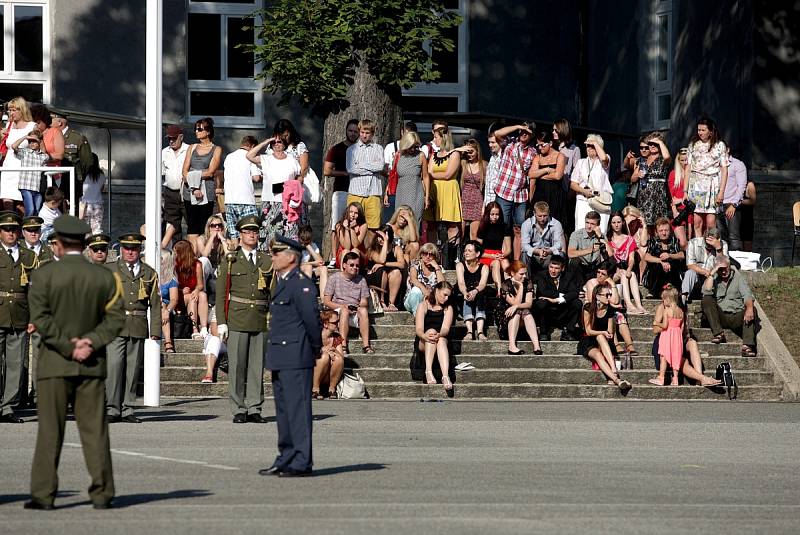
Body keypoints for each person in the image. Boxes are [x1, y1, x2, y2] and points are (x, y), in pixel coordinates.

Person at [25, 215, 125, 510]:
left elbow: (40, 318)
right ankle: (103, 492)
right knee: (95, 431)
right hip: (91, 364)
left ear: (58, 244)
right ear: (83, 244)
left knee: (49, 432)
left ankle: (43, 495)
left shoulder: (44, 276)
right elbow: (117, 318)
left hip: (55, 362)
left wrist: (67, 347)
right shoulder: (105, 277)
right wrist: (90, 342)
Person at [261, 236, 322, 477]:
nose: (273, 257)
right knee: (284, 411)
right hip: (281, 354)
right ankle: (286, 456)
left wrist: (314, 348)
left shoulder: (301, 284)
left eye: (277, 253)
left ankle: (301, 460)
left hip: (297, 355)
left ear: (291, 257)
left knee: (297, 410)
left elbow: (311, 322)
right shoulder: (283, 282)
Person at [216, 215, 273, 423]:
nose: (252, 235)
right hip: (237, 319)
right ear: (240, 235)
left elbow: (273, 293)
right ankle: (239, 408)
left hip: (259, 318)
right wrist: (221, 322)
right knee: (237, 366)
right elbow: (222, 293)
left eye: (255, 231)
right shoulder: (231, 260)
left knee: (257, 366)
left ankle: (254, 407)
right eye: (248, 232)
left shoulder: (267, 261)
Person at [105, 233, 160, 424]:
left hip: (137, 324)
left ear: (139, 250)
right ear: (121, 249)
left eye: (134, 248)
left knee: (132, 369)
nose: (130, 252)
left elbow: (155, 303)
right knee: (113, 367)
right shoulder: (110, 270)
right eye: (127, 248)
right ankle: (112, 408)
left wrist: (155, 330)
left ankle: (128, 408)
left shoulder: (149, 273)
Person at [0, 211, 36, 423]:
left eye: (14, 229)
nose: (11, 233)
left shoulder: (28, 256)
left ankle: (8, 407)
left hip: (21, 314)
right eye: (6, 229)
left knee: (15, 363)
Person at [650, 288, 722, 387]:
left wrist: (683, 335)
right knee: (681, 360)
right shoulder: (662, 308)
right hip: (665, 339)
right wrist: (670, 328)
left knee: (692, 343)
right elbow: (655, 330)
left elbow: (683, 329)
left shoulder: (680, 309)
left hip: (677, 338)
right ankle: (702, 378)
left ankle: (699, 379)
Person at [492, 122, 537, 258]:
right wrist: (517, 126)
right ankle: (501, 257)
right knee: (502, 226)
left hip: (520, 195)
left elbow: (532, 176)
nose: (524, 134)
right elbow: (497, 133)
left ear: (532, 135)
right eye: (522, 131)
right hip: (504, 192)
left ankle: (517, 261)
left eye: (527, 132)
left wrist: (530, 197)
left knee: (520, 229)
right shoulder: (509, 144)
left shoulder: (533, 152)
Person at [248, 136, 302, 245]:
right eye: (274, 142)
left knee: (288, 235)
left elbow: (299, 177)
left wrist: (292, 190)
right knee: (268, 235)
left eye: (279, 141)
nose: (276, 144)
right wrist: (266, 141)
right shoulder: (266, 158)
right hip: (270, 201)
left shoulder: (292, 159)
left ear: (284, 144)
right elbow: (249, 155)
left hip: (288, 203)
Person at [578, 285, 632, 393]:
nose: (609, 297)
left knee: (601, 336)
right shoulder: (588, 308)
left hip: (605, 342)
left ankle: (614, 373)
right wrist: (602, 332)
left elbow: (610, 331)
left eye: (610, 294)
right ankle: (617, 379)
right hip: (588, 341)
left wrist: (607, 334)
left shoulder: (610, 309)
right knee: (598, 349)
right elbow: (588, 331)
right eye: (607, 295)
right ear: (597, 296)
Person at [423, 122, 463, 267]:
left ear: (444, 138)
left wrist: (433, 174)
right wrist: (432, 174)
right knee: (432, 224)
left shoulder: (454, 154)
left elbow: (448, 174)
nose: (435, 140)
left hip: (448, 190)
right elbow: (428, 172)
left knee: (451, 224)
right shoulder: (433, 155)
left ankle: (454, 255)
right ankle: (432, 254)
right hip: (434, 190)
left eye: (437, 137)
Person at [701, 255, 758, 357]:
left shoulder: (737, 277)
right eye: (720, 269)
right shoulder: (714, 278)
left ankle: (747, 346)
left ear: (729, 266)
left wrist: (749, 308)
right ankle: (718, 334)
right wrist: (712, 273)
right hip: (720, 317)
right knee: (706, 299)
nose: (723, 272)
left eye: (725, 268)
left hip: (736, 315)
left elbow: (747, 295)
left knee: (752, 309)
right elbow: (706, 291)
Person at [181, 117, 222, 250]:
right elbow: (184, 171)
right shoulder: (192, 147)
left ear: (208, 131)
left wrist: (192, 175)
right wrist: (194, 186)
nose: (196, 131)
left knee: (205, 224)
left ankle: (204, 255)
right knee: (192, 225)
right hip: (190, 192)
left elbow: (211, 172)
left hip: (206, 192)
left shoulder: (216, 149)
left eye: (199, 129)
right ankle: (192, 257)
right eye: (195, 129)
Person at [324, 118, 360, 263]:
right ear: (345, 131)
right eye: (350, 131)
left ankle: (352, 256)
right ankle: (334, 257)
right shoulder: (336, 149)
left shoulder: (360, 150)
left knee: (355, 225)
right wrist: (345, 173)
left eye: (355, 131)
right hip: (341, 191)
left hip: (357, 191)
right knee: (337, 225)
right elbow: (327, 171)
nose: (352, 134)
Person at [322, 251, 372, 354]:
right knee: (344, 310)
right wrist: (343, 306)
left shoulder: (361, 280)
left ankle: (366, 345)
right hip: (338, 311)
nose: (355, 267)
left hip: (354, 311)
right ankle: (343, 345)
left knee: (363, 310)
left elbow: (364, 302)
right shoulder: (334, 278)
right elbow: (326, 301)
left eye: (357, 265)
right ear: (344, 265)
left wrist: (355, 307)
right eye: (352, 265)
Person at [687, 116, 729, 237]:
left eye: (703, 130)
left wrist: (721, 192)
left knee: (711, 223)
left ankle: (710, 252)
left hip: (712, 186)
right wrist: (685, 190)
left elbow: (724, 170)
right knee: (697, 223)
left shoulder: (720, 145)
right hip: (696, 185)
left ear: (710, 131)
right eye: (698, 130)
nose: (700, 132)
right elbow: (688, 168)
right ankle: (699, 252)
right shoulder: (693, 145)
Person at [415, 281, 455, 393]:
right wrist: (425, 336)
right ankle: (428, 371)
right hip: (424, 340)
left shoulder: (448, 308)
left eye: (448, 296)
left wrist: (439, 334)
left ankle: (445, 376)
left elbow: (445, 329)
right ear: (437, 291)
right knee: (431, 331)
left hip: (441, 341)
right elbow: (418, 329)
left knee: (440, 339)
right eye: (444, 295)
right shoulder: (423, 305)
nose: (446, 298)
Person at [346, 119, 385, 230]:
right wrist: (371, 168)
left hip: (373, 192)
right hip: (356, 192)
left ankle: (369, 247)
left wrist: (361, 165)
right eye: (362, 132)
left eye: (367, 133)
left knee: (373, 226)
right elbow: (351, 168)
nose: (364, 135)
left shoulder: (378, 148)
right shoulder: (351, 149)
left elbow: (380, 166)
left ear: (372, 134)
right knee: (353, 225)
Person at [533, 254, 582, 341]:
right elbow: (543, 291)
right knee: (541, 302)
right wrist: (562, 295)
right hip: (547, 311)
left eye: (556, 268)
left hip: (562, 312)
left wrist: (557, 300)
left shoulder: (568, 276)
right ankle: (544, 332)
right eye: (551, 267)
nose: (553, 271)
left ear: (562, 269)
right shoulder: (542, 275)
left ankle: (568, 332)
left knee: (577, 303)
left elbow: (574, 292)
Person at [498, 261, 543, 355]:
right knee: (517, 312)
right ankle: (511, 346)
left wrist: (517, 306)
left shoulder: (528, 282)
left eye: (525, 273)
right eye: (521, 274)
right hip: (507, 318)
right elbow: (514, 302)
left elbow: (528, 303)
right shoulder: (505, 285)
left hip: (523, 318)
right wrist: (521, 287)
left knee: (526, 311)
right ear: (513, 273)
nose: (524, 276)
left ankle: (536, 346)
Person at [222, 135, 262, 243]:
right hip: (246, 200)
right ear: (253, 146)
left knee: (234, 235)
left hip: (229, 200)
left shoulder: (229, 157)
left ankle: (234, 258)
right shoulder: (249, 157)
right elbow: (256, 178)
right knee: (250, 234)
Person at [606, 212, 647, 314]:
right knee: (624, 273)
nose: (616, 225)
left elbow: (631, 258)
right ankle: (628, 304)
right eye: (614, 222)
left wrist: (629, 269)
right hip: (612, 273)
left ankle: (638, 305)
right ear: (610, 224)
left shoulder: (629, 239)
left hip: (625, 268)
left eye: (619, 222)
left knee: (631, 273)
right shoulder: (608, 240)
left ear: (623, 223)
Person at [570, 133, 612, 233]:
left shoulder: (605, 160)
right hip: (583, 200)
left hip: (600, 200)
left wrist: (595, 143)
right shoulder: (581, 162)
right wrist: (584, 191)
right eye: (587, 145)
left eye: (592, 146)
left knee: (600, 231)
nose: (589, 148)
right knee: (581, 230)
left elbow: (603, 159)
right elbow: (573, 183)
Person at [1, 97, 37, 210]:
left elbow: (38, 149)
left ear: (22, 110)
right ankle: (9, 227)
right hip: (9, 166)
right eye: (9, 110)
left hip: (24, 167)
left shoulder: (32, 126)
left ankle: (23, 227)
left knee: (22, 202)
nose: (11, 113)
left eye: (14, 110)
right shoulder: (9, 126)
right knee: (6, 199)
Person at [389, 131, 429, 228]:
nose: (413, 149)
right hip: (401, 193)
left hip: (416, 193)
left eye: (415, 146)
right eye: (410, 146)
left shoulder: (421, 155)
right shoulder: (398, 155)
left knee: (414, 223)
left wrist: (426, 196)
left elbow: (425, 176)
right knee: (400, 221)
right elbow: (393, 175)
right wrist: (388, 190)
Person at [29, 104, 64, 214]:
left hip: (52, 175)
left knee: (50, 205)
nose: (37, 126)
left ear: (45, 120)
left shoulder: (54, 131)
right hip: (33, 174)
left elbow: (60, 155)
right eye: (34, 123)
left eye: (38, 122)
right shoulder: (31, 133)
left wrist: (44, 156)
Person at [50, 111, 93, 203]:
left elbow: (87, 162)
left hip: (71, 182)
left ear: (59, 122)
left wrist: (78, 178)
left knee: (71, 210)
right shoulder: (48, 135)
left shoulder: (77, 138)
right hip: (51, 180)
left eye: (51, 119)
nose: (48, 122)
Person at [632, 132, 671, 229]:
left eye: (655, 144)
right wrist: (638, 175)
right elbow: (632, 179)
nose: (652, 146)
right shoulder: (642, 160)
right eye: (650, 144)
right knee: (644, 224)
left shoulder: (662, 159)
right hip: (644, 196)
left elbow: (667, 157)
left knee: (659, 224)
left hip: (658, 196)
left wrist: (659, 142)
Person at [530, 130, 568, 229]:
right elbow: (531, 174)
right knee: (538, 225)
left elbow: (558, 176)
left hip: (555, 194)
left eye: (542, 145)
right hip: (540, 194)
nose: (540, 148)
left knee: (556, 226)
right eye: (538, 145)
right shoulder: (538, 157)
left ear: (550, 143)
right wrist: (547, 170)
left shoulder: (560, 156)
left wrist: (540, 175)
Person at [682, 227, 728, 303]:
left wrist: (718, 248)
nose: (709, 245)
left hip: (713, 276)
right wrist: (705, 272)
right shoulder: (693, 243)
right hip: (698, 274)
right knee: (690, 273)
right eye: (707, 242)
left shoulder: (723, 244)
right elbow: (690, 265)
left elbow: (724, 265)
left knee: (716, 275)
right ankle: (684, 297)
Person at [174, 239, 209, 339]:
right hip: (179, 296)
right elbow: (169, 285)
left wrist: (196, 290)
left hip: (192, 294)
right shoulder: (174, 265)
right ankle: (194, 329)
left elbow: (200, 284)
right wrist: (180, 290)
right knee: (192, 298)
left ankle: (204, 328)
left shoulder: (197, 264)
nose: (175, 254)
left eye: (177, 251)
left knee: (202, 295)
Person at [364, 226, 405, 311]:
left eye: (383, 237)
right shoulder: (372, 250)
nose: (381, 240)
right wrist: (385, 242)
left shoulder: (396, 249)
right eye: (379, 237)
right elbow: (381, 260)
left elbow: (402, 264)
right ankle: (381, 301)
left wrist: (384, 265)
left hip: (390, 280)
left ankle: (391, 303)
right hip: (375, 277)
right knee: (383, 272)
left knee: (396, 272)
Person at [520, 201, 565, 278]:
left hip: (549, 255)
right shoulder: (527, 224)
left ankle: (558, 280)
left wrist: (549, 251)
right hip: (533, 255)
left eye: (545, 216)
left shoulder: (556, 224)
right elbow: (524, 245)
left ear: (549, 213)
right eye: (539, 216)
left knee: (560, 254)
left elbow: (559, 244)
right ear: (534, 213)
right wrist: (537, 251)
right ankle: (527, 282)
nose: (542, 219)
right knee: (524, 254)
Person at [11, 128, 49, 216]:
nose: (31, 143)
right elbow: (13, 146)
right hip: (25, 186)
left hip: (37, 187)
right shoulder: (24, 152)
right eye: (30, 141)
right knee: (30, 210)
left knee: (36, 212)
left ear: (39, 142)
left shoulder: (43, 156)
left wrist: (39, 140)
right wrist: (25, 137)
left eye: (34, 141)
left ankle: (28, 229)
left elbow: (46, 154)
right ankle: (23, 229)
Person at [456, 241, 490, 340]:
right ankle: (469, 331)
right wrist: (465, 293)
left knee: (480, 295)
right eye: (465, 250)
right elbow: (461, 283)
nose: (466, 253)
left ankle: (480, 331)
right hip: (463, 291)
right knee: (467, 297)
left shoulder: (484, 267)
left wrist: (475, 291)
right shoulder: (460, 265)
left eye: (469, 251)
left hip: (478, 292)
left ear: (477, 253)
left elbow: (483, 284)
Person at [643, 217, 685, 298]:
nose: (664, 233)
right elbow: (647, 257)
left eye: (666, 230)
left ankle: (675, 290)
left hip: (672, 271)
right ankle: (653, 292)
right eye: (661, 231)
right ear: (656, 232)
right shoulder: (653, 241)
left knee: (674, 265)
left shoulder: (674, 240)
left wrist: (670, 255)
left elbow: (682, 255)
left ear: (670, 231)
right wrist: (661, 261)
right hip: (655, 273)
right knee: (657, 266)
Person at [475, 201, 512, 293]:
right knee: (496, 263)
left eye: (497, 214)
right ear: (488, 214)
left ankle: (510, 287)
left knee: (505, 263)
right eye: (492, 214)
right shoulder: (483, 227)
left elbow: (508, 249)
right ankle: (499, 290)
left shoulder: (504, 227)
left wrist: (502, 255)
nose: (495, 217)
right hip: (485, 255)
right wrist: (491, 256)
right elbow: (477, 249)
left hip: (499, 254)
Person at [161, 124, 189, 241]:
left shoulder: (189, 150)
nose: (171, 141)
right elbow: (162, 173)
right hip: (170, 193)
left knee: (191, 223)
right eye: (169, 139)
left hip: (186, 191)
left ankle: (190, 251)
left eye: (174, 138)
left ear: (181, 137)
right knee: (172, 225)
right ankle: (175, 252)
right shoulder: (164, 152)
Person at [404, 242, 445, 316]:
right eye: (425, 253)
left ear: (435, 256)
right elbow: (413, 280)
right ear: (421, 254)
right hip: (413, 300)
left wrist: (437, 268)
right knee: (416, 291)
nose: (428, 256)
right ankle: (418, 317)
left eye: (431, 254)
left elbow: (442, 285)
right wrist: (425, 291)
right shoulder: (415, 264)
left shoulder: (438, 268)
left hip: (430, 302)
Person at [719, 148, 747, 251]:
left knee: (733, 237)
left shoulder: (737, 164)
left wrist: (734, 205)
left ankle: (736, 265)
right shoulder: (714, 164)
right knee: (720, 237)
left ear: (728, 149)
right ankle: (723, 264)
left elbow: (741, 186)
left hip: (731, 204)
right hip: (717, 204)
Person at [313, 309, 345, 400]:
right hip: (314, 371)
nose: (338, 324)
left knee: (338, 359)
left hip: (328, 373)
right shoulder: (315, 335)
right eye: (335, 322)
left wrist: (333, 350)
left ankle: (332, 389)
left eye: (338, 321)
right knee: (324, 357)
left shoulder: (336, 337)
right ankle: (315, 389)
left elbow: (341, 357)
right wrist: (323, 350)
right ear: (325, 324)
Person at [567, 210, 606, 283]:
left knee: (611, 261)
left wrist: (600, 237)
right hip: (581, 267)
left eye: (592, 224)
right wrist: (590, 250)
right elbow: (570, 253)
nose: (589, 226)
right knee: (574, 261)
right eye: (587, 222)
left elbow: (611, 254)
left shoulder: (601, 235)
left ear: (598, 225)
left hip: (595, 268)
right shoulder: (577, 234)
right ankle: (580, 288)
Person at [459, 139, 486, 240]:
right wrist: (462, 151)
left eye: (471, 152)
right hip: (463, 201)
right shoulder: (462, 163)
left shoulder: (484, 165)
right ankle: (459, 255)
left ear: (477, 151)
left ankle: (474, 254)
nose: (469, 155)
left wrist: (484, 204)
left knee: (474, 235)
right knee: (459, 234)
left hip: (477, 202)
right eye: (467, 152)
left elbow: (488, 186)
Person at [667, 147, 690, 247]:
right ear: (678, 160)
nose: (684, 162)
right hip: (678, 212)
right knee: (683, 243)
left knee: (692, 241)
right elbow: (671, 197)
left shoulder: (694, 174)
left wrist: (680, 200)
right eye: (682, 160)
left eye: (686, 160)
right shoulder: (673, 174)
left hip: (692, 211)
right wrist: (674, 211)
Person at [333, 202, 368, 267]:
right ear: (347, 212)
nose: (353, 215)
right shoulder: (339, 225)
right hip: (343, 254)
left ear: (359, 214)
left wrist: (352, 228)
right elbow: (347, 247)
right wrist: (346, 228)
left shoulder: (363, 225)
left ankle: (356, 273)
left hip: (359, 253)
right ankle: (342, 273)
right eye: (351, 212)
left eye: (356, 213)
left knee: (354, 250)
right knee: (346, 251)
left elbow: (355, 245)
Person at [298, 225, 328, 296]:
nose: (304, 244)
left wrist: (310, 248)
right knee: (308, 266)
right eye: (303, 242)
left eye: (307, 242)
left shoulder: (312, 245)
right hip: (297, 271)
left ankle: (324, 299)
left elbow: (321, 262)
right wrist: (311, 263)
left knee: (323, 268)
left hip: (310, 271)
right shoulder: (295, 246)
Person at [79, 153, 106, 234]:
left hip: (85, 204)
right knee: (97, 229)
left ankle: (85, 246)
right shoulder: (101, 174)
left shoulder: (83, 174)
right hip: (98, 203)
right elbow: (102, 189)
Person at [159, 248, 179, 354]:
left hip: (165, 305)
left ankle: (168, 342)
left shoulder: (171, 279)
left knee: (163, 306)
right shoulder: (150, 274)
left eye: (161, 259)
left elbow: (174, 299)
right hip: (152, 303)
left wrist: (168, 310)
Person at [483, 132, 502, 206]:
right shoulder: (492, 157)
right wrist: (485, 203)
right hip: (489, 201)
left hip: (498, 201)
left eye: (493, 142)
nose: (490, 145)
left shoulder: (503, 158)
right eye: (489, 142)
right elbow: (488, 183)